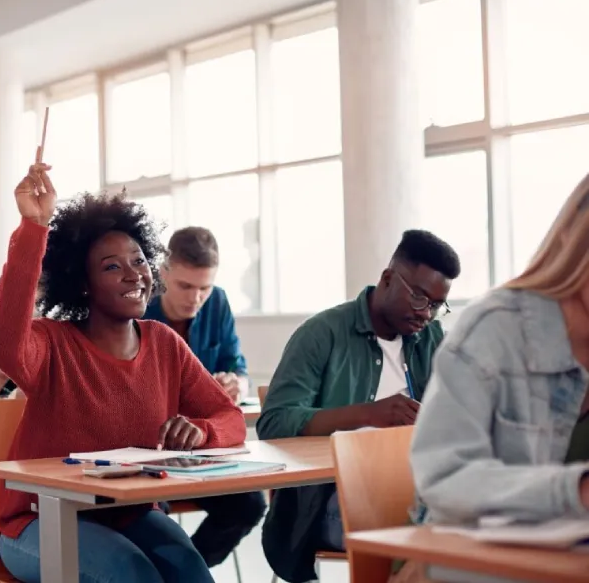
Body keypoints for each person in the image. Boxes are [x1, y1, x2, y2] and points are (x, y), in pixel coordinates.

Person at [0, 162, 247, 582]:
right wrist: (32, 230)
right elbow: (3, 341)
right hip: (36, 522)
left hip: (126, 514)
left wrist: (201, 432)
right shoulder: (53, 343)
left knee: (191, 571)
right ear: (83, 283)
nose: (134, 274)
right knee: (133, 574)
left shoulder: (163, 343)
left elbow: (230, 419)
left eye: (139, 260)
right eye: (111, 266)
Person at [400, 175, 589, 582]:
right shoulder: (494, 330)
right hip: (469, 561)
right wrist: (577, 491)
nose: (426, 311)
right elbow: (446, 479)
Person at [256, 230, 460, 583]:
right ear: (386, 279)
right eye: (419, 298)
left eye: (436, 305)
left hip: (418, 490)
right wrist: (368, 415)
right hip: (328, 501)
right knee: (432, 536)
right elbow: (274, 422)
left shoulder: (430, 339)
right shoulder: (322, 334)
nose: (426, 314)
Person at [142, 226, 266, 567]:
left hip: (202, 449)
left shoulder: (219, 302)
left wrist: (235, 382)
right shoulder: (138, 306)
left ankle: (181, 572)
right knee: (148, 516)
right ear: (163, 272)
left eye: (204, 288)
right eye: (185, 286)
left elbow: (236, 366)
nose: (195, 298)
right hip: (146, 448)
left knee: (251, 504)